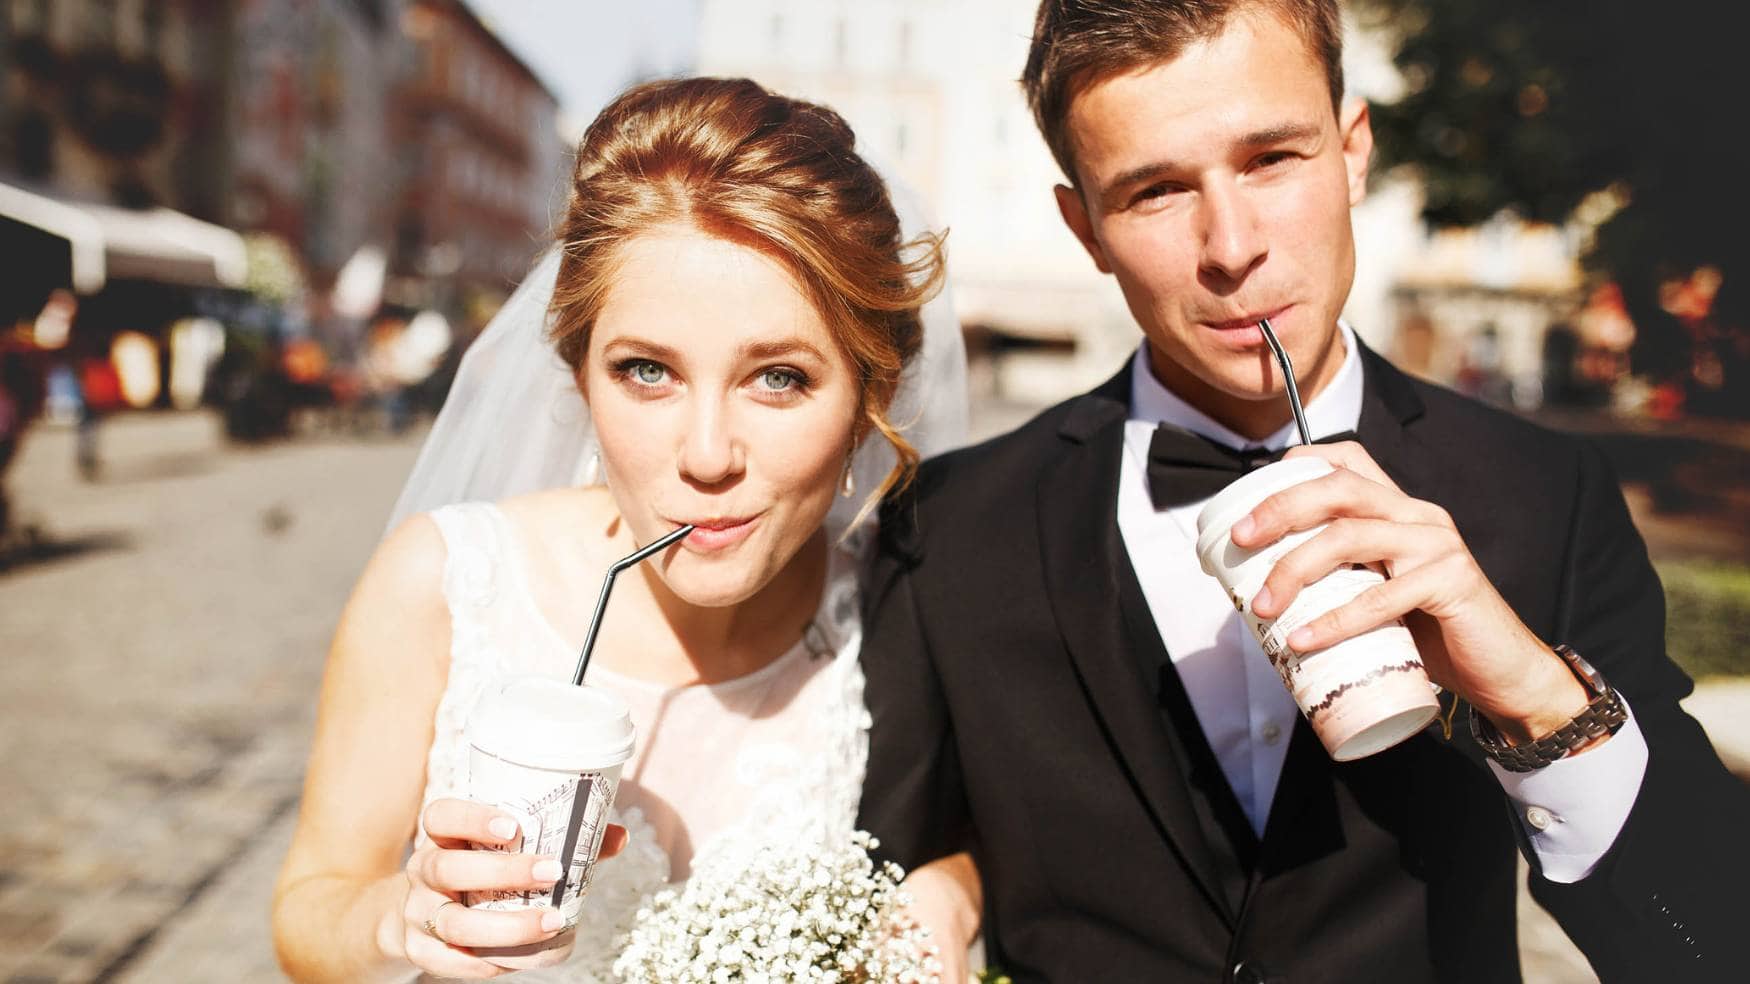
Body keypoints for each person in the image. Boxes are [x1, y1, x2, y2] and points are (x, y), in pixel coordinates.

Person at [857, 1, 1750, 980]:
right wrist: (946, 884)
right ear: (1085, 229)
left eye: (1271, 159)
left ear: (1352, 151)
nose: (1231, 246)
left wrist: (1538, 700)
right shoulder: (947, 524)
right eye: (1155, 190)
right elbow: (890, 863)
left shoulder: (1544, 490)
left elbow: (1705, 945)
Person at [273, 77, 979, 982]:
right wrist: (401, 919)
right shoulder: (445, 586)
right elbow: (308, 908)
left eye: (779, 378)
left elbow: (989, 836)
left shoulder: (906, 603)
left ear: (866, 400)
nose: (707, 454)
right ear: (579, 380)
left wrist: (951, 894)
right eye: (648, 371)